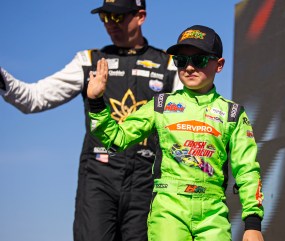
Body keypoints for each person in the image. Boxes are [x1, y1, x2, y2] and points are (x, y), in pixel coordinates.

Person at [0, 0, 181, 240]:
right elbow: (33, 98)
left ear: (141, 16)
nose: (110, 24)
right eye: (104, 17)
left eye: (117, 17)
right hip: (99, 178)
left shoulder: (169, 65)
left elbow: (184, 126)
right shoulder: (88, 61)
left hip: (147, 181)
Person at [87, 25, 265, 241]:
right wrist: (96, 103)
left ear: (219, 65)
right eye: (181, 60)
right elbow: (117, 137)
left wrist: (253, 223)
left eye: (198, 60)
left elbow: (247, 170)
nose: (189, 67)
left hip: (213, 213)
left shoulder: (233, 113)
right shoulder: (161, 105)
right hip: (169, 209)